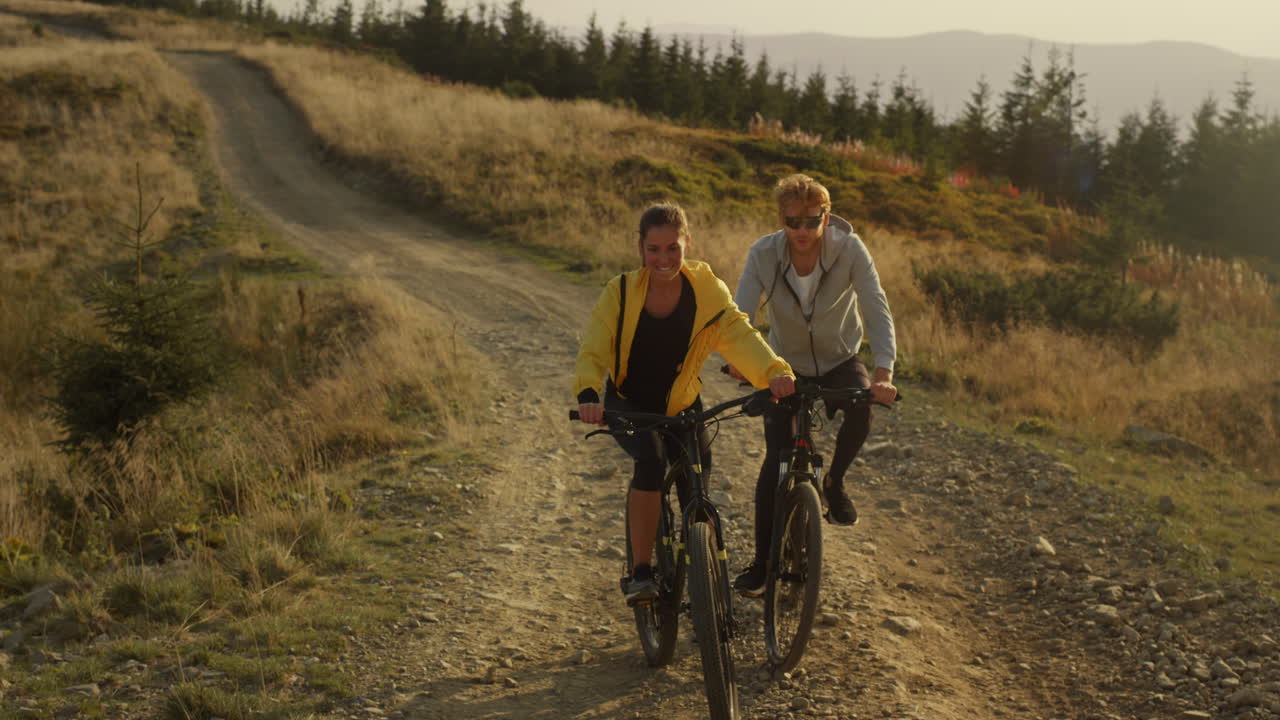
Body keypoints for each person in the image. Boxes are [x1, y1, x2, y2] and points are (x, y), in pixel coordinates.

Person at [575, 202, 796, 605]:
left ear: (687, 243)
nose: (664, 258)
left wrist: (773, 372)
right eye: (654, 249)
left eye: (672, 248)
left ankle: (703, 575)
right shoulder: (621, 292)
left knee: (698, 484)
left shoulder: (706, 289)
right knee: (651, 460)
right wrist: (588, 393)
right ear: (640, 248)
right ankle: (642, 571)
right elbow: (595, 344)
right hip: (630, 404)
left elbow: (738, 334)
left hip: (683, 405)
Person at [728, 173, 897, 597]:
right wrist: (740, 362)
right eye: (792, 221)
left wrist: (884, 371)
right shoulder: (764, 254)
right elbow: (740, 311)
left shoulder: (850, 249)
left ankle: (834, 482)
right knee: (776, 460)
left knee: (863, 407)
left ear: (826, 216)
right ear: (781, 219)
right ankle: (762, 564)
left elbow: (876, 306)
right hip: (784, 364)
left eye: (811, 220)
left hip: (840, 357)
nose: (802, 230)